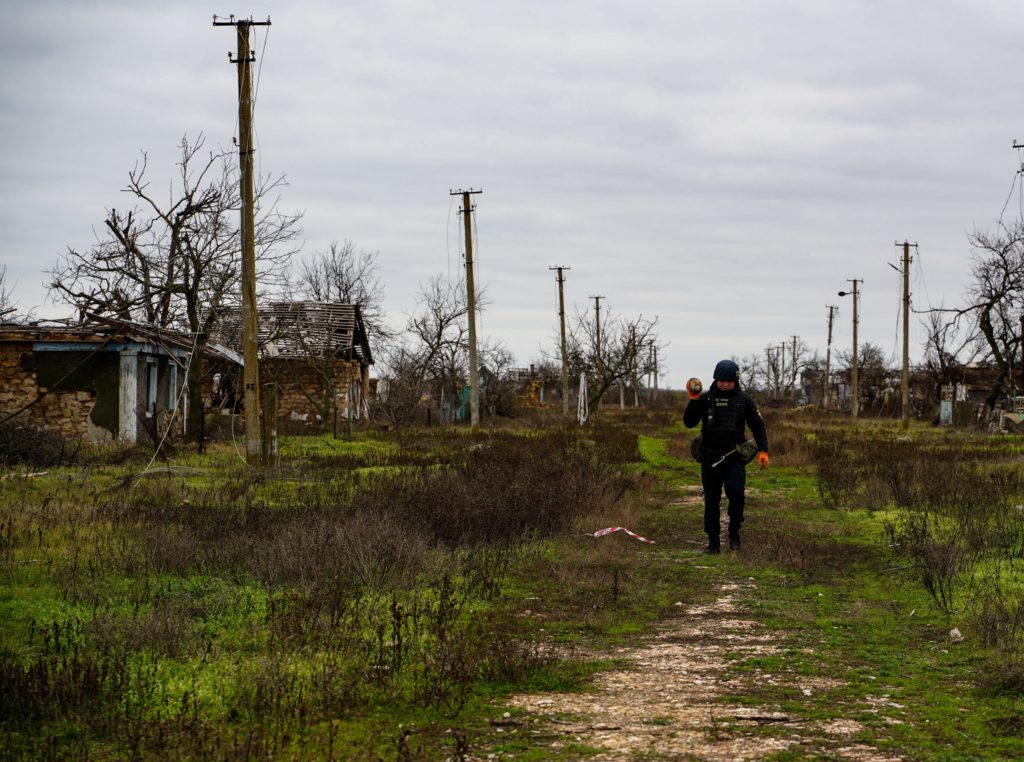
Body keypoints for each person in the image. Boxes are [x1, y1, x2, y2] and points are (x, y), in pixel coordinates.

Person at [683, 359, 769, 553]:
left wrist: (763, 450)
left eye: (729, 381)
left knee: (737, 495)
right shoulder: (705, 399)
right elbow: (689, 422)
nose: (725, 384)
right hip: (710, 458)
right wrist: (693, 399)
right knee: (711, 500)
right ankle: (713, 543)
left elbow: (757, 426)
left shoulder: (744, 400)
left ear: (736, 381)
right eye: (721, 380)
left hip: (734, 458)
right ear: (716, 379)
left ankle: (734, 534)